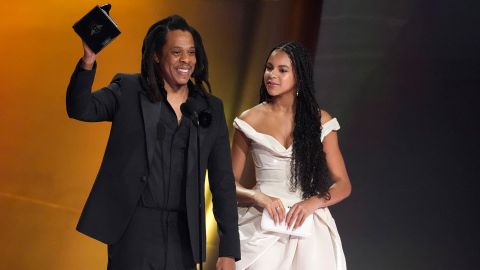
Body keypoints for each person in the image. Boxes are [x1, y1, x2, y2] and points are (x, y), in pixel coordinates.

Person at [66, 15, 240, 270]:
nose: (186, 60)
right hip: (134, 227)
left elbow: (223, 182)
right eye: (176, 52)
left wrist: (228, 250)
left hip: (184, 232)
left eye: (191, 53)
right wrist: (88, 60)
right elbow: (80, 108)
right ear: (157, 56)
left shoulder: (209, 108)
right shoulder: (129, 90)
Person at [231, 42, 351, 270]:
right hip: (262, 224)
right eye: (269, 68)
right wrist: (258, 196)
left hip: (309, 226)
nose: (271, 75)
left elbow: (343, 184)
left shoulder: (320, 121)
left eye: (282, 70)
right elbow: (226, 183)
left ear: (299, 77)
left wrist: (312, 203)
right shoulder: (249, 120)